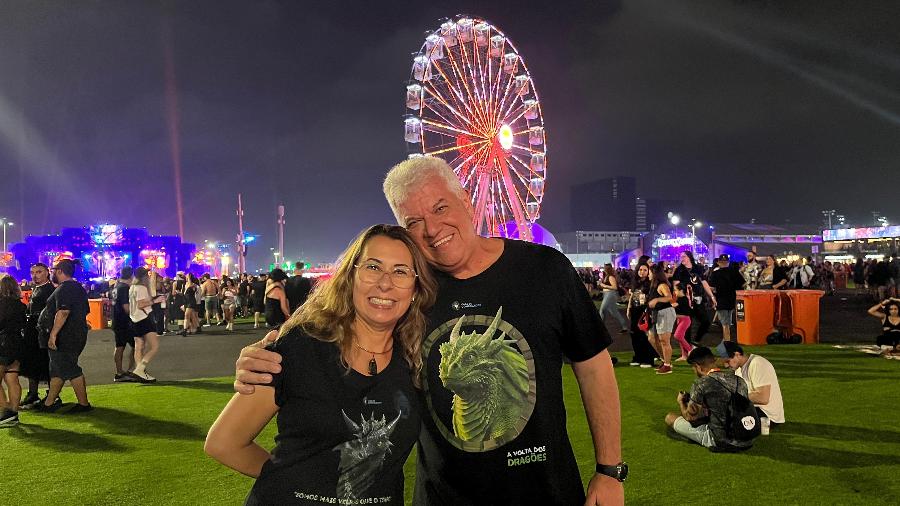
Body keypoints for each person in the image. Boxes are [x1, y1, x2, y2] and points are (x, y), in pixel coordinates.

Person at [234, 157, 625, 505]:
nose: (433, 228)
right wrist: (269, 353)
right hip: (444, 495)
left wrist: (610, 470)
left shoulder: (545, 270)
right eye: (413, 222)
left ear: (468, 202)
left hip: (547, 491)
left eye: (440, 208)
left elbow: (593, 367)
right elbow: (332, 327)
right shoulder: (407, 292)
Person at [206, 224, 437, 505]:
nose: (385, 283)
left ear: (415, 288)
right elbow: (225, 443)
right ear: (351, 276)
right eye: (373, 267)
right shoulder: (301, 347)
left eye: (400, 271)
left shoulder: (416, 357)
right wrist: (300, 483)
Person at [664, 347, 754, 452]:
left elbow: (690, 417)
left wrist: (681, 402)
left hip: (721, 441)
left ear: (697, 366)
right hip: (747, 437)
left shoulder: (701, 384)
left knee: (670, 417)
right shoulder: (739, 380)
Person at [39, 259, 92, 413]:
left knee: (69, 368)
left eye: (54, 270)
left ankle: (84, 405)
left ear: (60, 271)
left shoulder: (66, 289)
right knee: (58, 369)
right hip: (74, 334)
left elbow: (63, 312)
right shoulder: (76, 288)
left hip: (66, 336)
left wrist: (53, 335)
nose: (52, 273)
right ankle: (49, 404)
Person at [723, 342, 784, 434]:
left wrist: (735, 398)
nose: (726, 366)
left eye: (728, 361)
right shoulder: (739, 370)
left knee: (731, 429)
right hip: (753, 410)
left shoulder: (757, 363)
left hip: (768, 417)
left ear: (737, 354)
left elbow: (763, 398)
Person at [18, 263, 53, 409]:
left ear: (47, 272)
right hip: (33, 332)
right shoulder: (37, 289)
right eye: (33, 272)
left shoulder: (49, 290)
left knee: (45, 363)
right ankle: (33, 394)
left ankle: (51, 395)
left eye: (39, 272)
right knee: (32, 363)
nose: (35, 275)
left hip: (43, 332)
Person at [672, 250, 717, 346]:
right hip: (685, 300)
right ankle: (687, 348)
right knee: (687, 325)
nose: (682, 258)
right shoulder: (679, 270)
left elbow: (704, 283)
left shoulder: (697, 268)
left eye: (684, 256)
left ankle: (696, 341)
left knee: (705, 322)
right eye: (681, 256)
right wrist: (676, 299)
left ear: (689, 257)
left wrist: (712, 297)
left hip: (698, 299)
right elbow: (675, 286)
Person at [129, 267, 166, 382]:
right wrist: (156, 301)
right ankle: (140, 369)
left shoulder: (132, 287)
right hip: (144, 318)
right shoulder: (141, 288)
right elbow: (141, 304)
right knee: (154, 347)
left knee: (139, 347)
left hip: (134, 318)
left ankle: (140, 372)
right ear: (144, 276)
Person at [0, 274, 27, 426]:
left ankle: (5, 411)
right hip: (17, 345)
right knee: (12, 379)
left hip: (3, 345)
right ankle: (14, 413)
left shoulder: (1, 304)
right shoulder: (20, 305)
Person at [707, 254, 746, 357]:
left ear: (719, 262)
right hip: (731, 300)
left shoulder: (715, 274)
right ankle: (724, 347)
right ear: (727, 262)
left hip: (721, 300)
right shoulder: (734, 272)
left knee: (725, 326)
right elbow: (742, 284)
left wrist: (716, 292)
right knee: (728, 324)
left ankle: (727, 349)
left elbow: (711, 288)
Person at [626, 263, 658, 368]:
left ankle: (648, 359)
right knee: (634, 334)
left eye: (645, 270)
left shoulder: (650, 283)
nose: (642, 272)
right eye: (640, 270)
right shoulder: (636, 282)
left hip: (645, 310)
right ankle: (638, 357)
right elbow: (632, 296)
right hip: (635, 310)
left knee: (645, 335)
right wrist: (629, 307)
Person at [648, 263, 676, 374]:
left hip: (665, 313)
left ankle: (667, 365)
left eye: (650, 272)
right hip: (657, 314)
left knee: (664, 340)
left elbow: (669, 297)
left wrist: (657, 300)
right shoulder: (654, 285)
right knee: (652, 338)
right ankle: (665, 360)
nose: (648, 275)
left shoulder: (662, 285)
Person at [111, 267, 137, 382]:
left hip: (117, 320)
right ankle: (130, 370)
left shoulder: (116, 287)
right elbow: (127, 308)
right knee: (137, 345)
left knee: (119, 346)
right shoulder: (125, 288)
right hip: (125, 322)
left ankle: (119, 372)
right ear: (131, 275)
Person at [598, 264, 630, 333]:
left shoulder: (611, 277)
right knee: (614, 312)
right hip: (607, 294)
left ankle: (600, 328)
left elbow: (615, 287)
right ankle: (624, 327)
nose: (603, 269)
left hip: (610, 294)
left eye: (604, 268)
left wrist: (604, 285)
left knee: (602, 309)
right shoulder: (606, 276)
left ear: (607, 269)